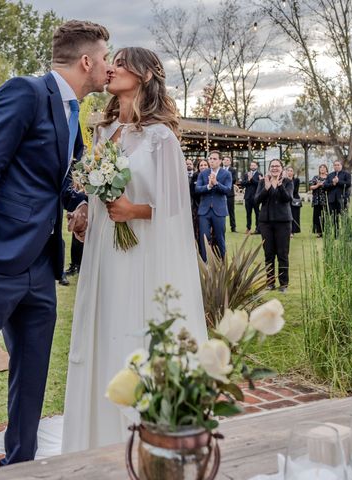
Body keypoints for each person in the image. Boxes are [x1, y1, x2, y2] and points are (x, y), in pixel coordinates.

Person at [0, 20, 108, 474]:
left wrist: (80, 201)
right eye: (106, 58)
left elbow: (57, 178)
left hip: (41, 269)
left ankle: (21, 465)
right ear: (86, 61)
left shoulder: (76, 114)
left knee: (31, 381)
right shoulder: (24, 92)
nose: (108, 67)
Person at [61, 46, 208, 453]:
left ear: (144, 76)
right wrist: (86, 212)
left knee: (134, 331)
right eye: (113, 61)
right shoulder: (105, 132)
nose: (112, 68)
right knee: (104, 329)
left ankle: (144, 438)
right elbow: (95, 192)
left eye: (122, 63)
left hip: (142, 256)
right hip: (105, 254)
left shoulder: (161, 138)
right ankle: (100, 436)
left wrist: (133, 210)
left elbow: (177, 208)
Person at [255, 159, 293, 292]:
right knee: (269, 254)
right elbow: (256, 200)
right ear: (269, 168)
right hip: (266, 222)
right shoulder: (262, 181)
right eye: (272, 166)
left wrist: (280, 186)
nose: (275, 168)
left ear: (282, 168)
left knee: (282, 254)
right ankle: (270, 283)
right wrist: (266, 188)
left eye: (277, 166)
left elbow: (288, 198)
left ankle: (283, 284)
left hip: (283, 222)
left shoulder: (288, 182)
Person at [195, 150, 232, 260]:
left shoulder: (226, 174)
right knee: (204, 238)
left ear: (220, 161)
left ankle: (223, 263)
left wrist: (216, 183)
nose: (211, 161)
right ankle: (205, 264)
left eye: (214, 159)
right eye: (210, 158)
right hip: (204, 211)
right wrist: (209, 187)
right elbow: (197, 189)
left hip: (219, 210)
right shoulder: (203, 173)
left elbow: (227, 190)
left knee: (220, 238)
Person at [324, 160, 351, 232]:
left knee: (344, 217)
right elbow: (325, 186)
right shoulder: (330, 175)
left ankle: (346, 233)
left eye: (338, 165)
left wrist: (338, 182)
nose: (336, 166)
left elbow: (348, 184)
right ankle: (336, 233)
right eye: (335, 165)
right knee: (334, 218)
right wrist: (333, 183)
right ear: (333, 166)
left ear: (341, 166)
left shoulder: (346, 174)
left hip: (342, 199)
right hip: (332, 200)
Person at [240, 160, 261, 234]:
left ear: (257, 166)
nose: (253, 167)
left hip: (256, 197)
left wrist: (252, 179)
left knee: (257, 213)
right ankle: (248, 228)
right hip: (248, 197)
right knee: (248, 214)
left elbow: (259, 184)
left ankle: (258, 228)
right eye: (251, 165)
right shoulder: (246, 174)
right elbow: (242, 183)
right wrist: (248, 180)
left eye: (254, 165)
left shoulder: (259, 174)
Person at [309, 164, 329, 237]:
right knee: (317, 216)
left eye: (324, 168)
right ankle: (319, 232)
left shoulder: (329, 177)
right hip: (317, 200)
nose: (322, 169)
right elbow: (311, 187)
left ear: (326, 169)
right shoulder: (316, 177)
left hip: (326, 200)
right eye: (321, 168)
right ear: (319, 169)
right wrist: (317, 185)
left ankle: (326, 231)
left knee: (325, 216)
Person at [222, 155, 237, 232]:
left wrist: (225, 178)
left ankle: (233, 227)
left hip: (230, 194)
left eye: (227, 160)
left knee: (231, 211)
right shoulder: (220, 169)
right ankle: (222, 227)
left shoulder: (233, 170)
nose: (225, 161)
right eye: (224, 160)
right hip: (221, 193)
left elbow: (234, 180)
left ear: (230, 162)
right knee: (221, 211)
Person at [285, 166, 301, 236]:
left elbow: (295, 190)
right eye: (288, 170)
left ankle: (293, 231)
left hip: (295, 199)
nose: (290, 172)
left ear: (293, 172)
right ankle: (288, 230)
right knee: (288, 215)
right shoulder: (284, 180)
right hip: (286, 199)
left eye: (291, 171)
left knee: (295, 215)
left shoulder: (296, 180)